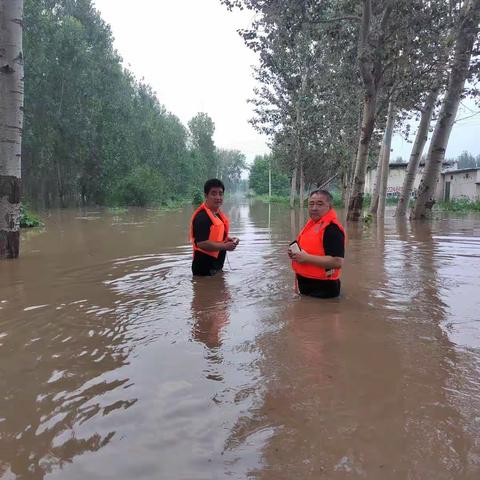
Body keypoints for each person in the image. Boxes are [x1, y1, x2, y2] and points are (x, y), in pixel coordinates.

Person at [288, 190, 345, 298]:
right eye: (311, 204)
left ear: (329, 206)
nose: (314, 208)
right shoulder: (312, 224)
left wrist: (306, 258)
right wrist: (295, 254)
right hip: (305, 283)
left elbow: (337, 262)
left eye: (320, 204)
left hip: (324, 289)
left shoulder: (332, 229)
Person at [190, 178, 239, 276]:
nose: (218, 197)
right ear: (206, 196)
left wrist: (228, 240)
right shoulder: (202, 217)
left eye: (220, 194)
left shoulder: (218, 215)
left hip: (216, 267)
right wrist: (225, 246)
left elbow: (215, 236)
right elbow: (202, 243)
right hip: (203, 271)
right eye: (213, 193)